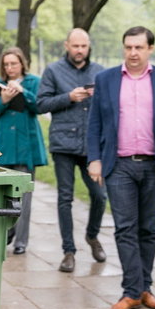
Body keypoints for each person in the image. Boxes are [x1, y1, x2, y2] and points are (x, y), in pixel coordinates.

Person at [87, 26, 155, 309]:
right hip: (119, 166)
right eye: (128, 47)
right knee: (125, 229)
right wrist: (95, 158)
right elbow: (95, 124)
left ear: (150, 49)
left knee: (148, 229)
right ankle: (132, 291)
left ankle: (145, 288)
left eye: (139, 48)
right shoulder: (106, 79)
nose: (132, 53)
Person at [37, 29, 107, 273]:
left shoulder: (100, 72)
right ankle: (69, 251)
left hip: (92, 146)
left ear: (89, 46)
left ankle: (92, 236)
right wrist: (68, 97)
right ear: (67, 45)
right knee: (64, 198)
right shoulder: (53, 71)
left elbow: (112, 106)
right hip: (63, 145)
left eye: (83, 46)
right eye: (75, 46)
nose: (79, 50)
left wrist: (101, 98)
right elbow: (40, 104)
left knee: (99, 196)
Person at [0, 47, 47, 255]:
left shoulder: (33, 82)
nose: (10, 68)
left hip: (26, 144)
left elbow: (39, 107)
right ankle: (7, 232)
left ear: (22, 63)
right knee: (2, 194)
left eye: (14, 63)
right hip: (3, 144)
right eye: (6, 64)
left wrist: (23, 92)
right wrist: (3, 99)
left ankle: (21, 240)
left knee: (25, 196)